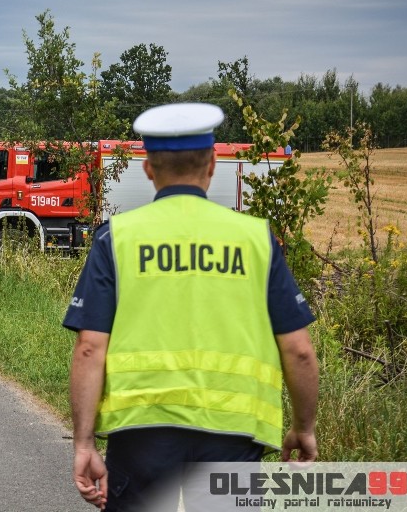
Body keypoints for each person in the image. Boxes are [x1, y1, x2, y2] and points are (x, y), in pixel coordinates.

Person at [64, 103, 319, 511]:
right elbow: (299, 350)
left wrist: (83, 442)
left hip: (141, 432)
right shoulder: (255, 239)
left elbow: (90, 347)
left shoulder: (117, 238)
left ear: (148, 168)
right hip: (235, 434)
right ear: (213, 163)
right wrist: (304, 427)